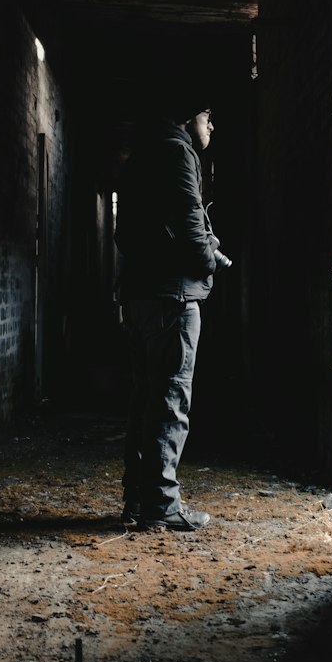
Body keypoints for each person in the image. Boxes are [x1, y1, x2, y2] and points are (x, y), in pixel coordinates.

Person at [115, 104, 226, 531]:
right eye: (206, 116)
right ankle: (161, 505)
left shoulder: (140, 155)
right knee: (170, 401)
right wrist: (209, 260)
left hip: (140, 297)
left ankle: (137, 499)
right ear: (186, 119)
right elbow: (191, 221)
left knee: (144, 400)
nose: (211, 125)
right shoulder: (179, 153)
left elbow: (124, 236)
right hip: (172, 298)